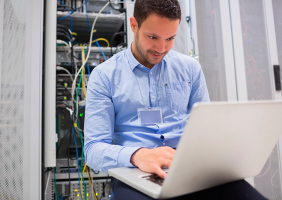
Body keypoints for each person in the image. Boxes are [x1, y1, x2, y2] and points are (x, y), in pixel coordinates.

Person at [84, 0, 267, 199]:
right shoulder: (104, 76)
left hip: (189, 167)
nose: (161, 48)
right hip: (135, 170)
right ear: (134, 25)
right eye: (153, 37)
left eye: (170, 38)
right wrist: (137, 155)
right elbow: (93, 151)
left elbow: (207, 131)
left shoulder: (190, 69)